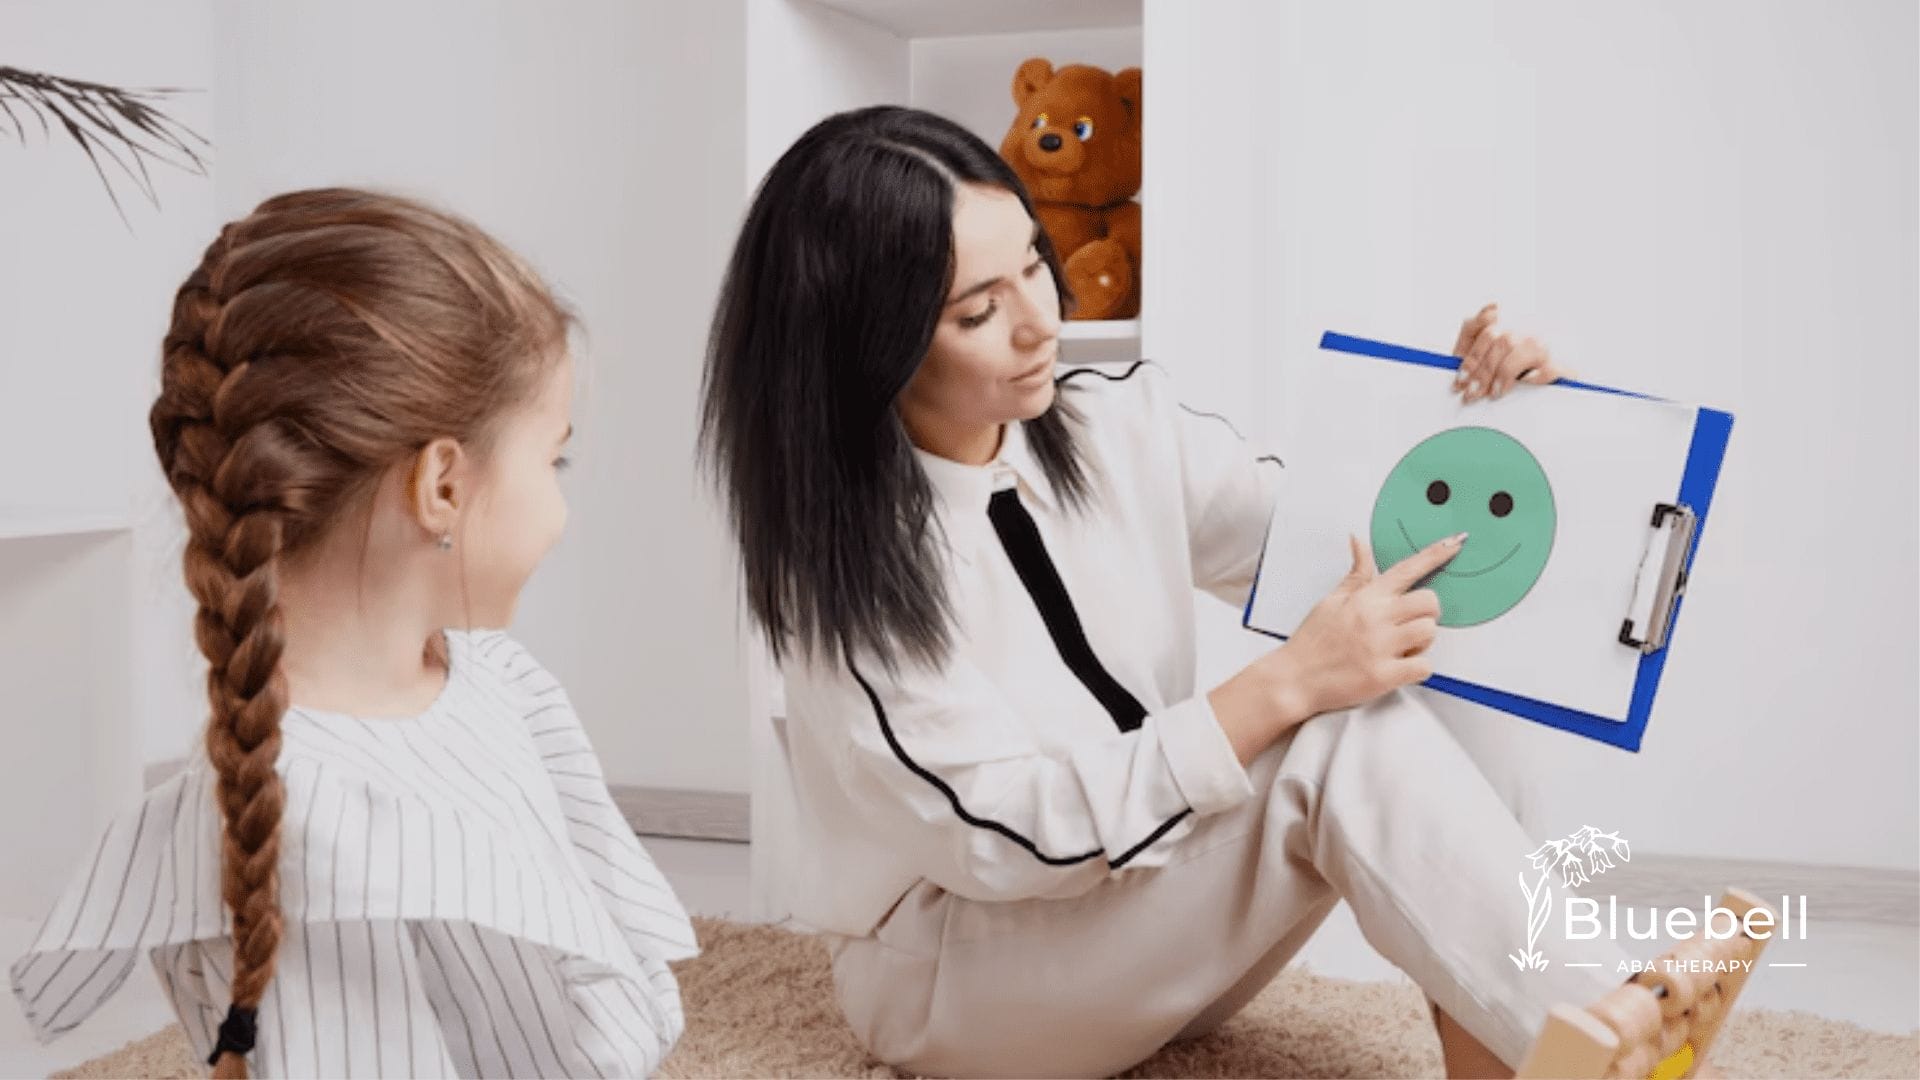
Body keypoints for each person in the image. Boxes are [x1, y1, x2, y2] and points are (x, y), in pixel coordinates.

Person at [699, 105, 1620, 1078]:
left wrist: (1499, 416)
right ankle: (1614, 1046)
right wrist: (1285, 688)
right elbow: (1012, 836)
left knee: (1425, 637)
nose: (1039, 319)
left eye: (1034, 263)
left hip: (1150, 928)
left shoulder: (1116, 427)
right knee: (1337, 724)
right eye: (977, 312)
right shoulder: (848, 586)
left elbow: (1371, 558)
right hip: (961, 986)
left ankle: (1530, 1049)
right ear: (871, 347)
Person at [9, 188, 697, 1078]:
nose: (562, 506)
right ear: (443, 484)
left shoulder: (497, 681)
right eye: (553, 457)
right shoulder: (316, 825)